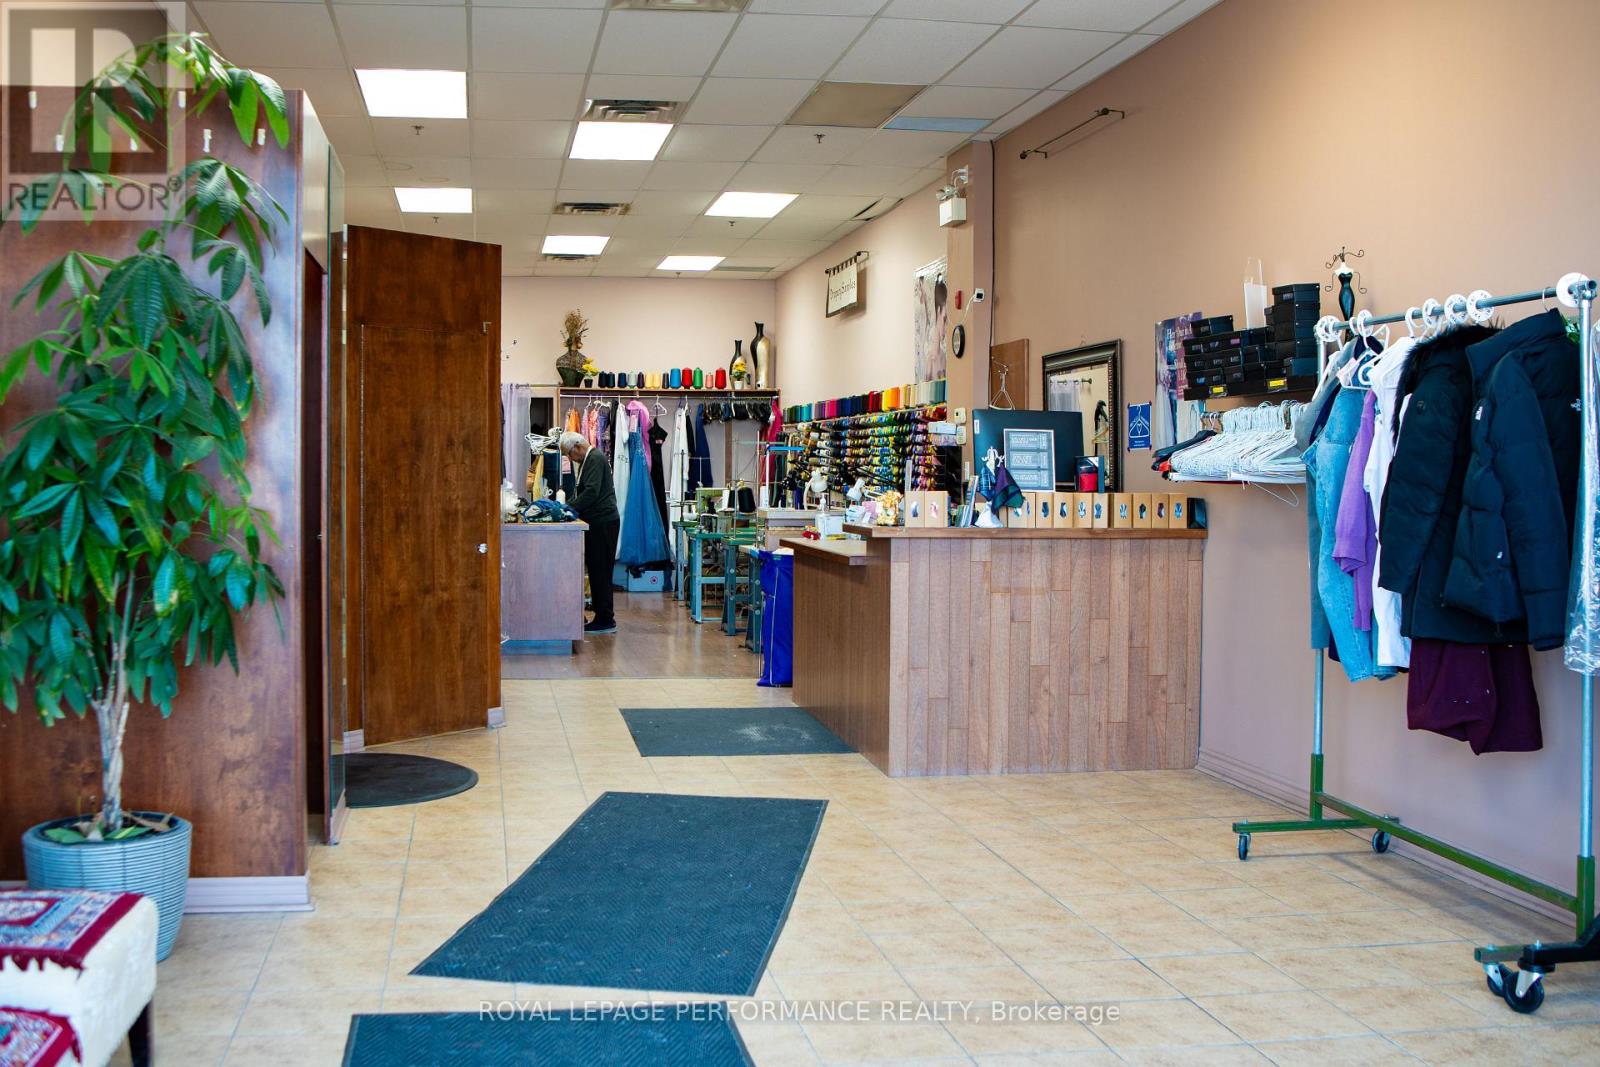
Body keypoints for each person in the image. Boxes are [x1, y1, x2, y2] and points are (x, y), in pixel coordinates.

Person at [559, 431, 619, 635]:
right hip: (599, 522)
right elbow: (585, 492)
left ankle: (605, 619)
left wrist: (568, 508)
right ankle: (602, 615)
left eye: (569, 454)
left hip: (603, 522)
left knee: (600, 571)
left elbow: (591, 492)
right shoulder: (591, 459)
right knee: (596, 570)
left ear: (577, 447)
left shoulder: (594, 459)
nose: (570, 459)